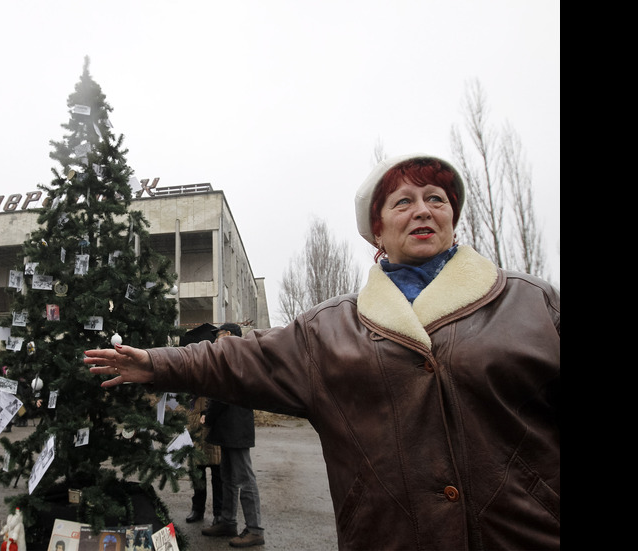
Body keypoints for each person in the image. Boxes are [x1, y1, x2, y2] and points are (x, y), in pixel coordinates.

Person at [85, 153, 560, 550]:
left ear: (452, 219)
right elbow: (238, 357)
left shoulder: (532, 303)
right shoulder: (330, 329)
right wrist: (155, 363)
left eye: (435, 199)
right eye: (403, 202)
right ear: (377, 230)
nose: (422, 210)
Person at [198, 324, 264, 548]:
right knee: (228, 476)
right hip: (229, 428)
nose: (216, 340)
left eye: (219, 336)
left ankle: (255, 529)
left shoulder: (236, 357)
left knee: (244, 478)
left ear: (229, 336)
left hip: (235, 427)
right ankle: (228, 521)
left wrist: (209, 415)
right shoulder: (231, 357)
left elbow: (222, 394)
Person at [185, 393, 222, 525]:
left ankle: (219, 512)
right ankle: (197, 509)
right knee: (197, 472)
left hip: (212, 418)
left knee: (218, 473)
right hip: (194, 418)